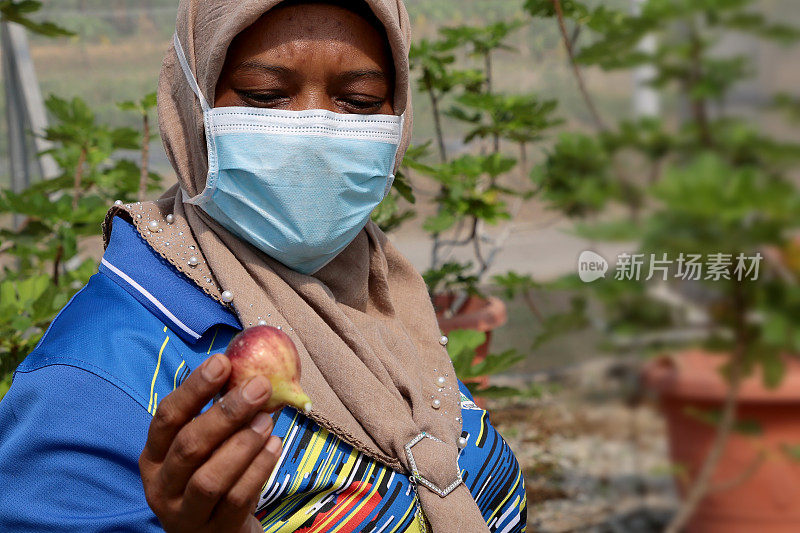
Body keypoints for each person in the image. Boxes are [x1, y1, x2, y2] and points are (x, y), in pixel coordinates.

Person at [0, 1, 527, 531]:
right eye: (263, 96)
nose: (314, 131)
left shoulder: (386, 297)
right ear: (194, 104)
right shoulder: (94, 381)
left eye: (360, 100)